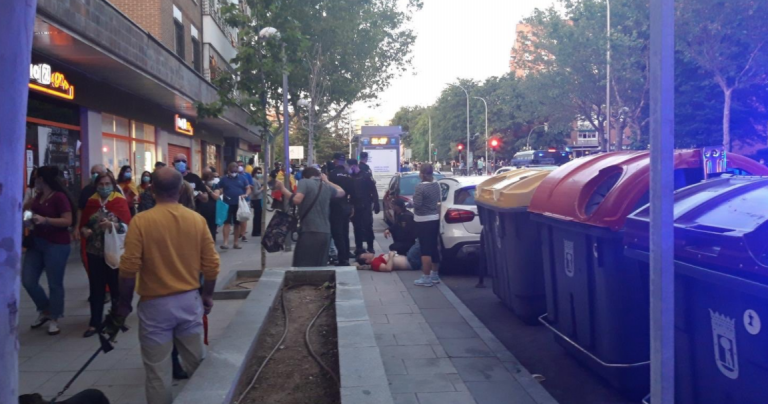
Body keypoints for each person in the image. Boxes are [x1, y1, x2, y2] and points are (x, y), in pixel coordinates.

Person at [107, 167, 220, 404]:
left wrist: (124, 305)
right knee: (199, 364)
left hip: (154, 307)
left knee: (157, 372)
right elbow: (211, 266)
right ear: (180, 189)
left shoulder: (141, 222)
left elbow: (128, 270)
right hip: (189, 302)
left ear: (152, 190)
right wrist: (207, 296)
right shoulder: (196, 220)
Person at [22, 166, 76, 336]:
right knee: (28, 280)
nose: (34, 181)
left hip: (56, 244)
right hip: (37, 242)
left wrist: (46, 220)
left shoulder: (59, 197)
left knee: (54, 282)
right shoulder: (37, 196)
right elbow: (26, 210)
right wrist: (27, 214)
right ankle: (45, 308)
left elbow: (67, 220)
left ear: (43, 179)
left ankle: (55, 316)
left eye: (36, 177)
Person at [79, 173, 132, 338]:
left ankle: (116, 319)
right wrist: (84, 230)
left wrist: (113, 225)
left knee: (116, 287)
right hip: (94, 251)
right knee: (96, 287)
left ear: (113, 185)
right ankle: (94, 322)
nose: (104, 187)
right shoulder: (91, 202)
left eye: (107, 184)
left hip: (114, 251)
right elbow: (84, 224)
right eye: (101, 184)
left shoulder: (119, 201)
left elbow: (128, 225)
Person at [274, 167, 345, 267]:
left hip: (309, 231)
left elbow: (297, 200)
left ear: (304, 176)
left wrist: (282, 189)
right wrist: (327, 181)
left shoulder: (304, 182)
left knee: (302, 266)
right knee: (319, 266)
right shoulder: (326, 186)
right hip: (325, 233)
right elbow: (341, 192)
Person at [412, 163, 442, 287]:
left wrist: (411, 202)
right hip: (434, 218)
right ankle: (435, 275)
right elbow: (438, 200)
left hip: (422, 220)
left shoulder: (420, 187)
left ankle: (426, 277)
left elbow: (417, 204)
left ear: (421, 174)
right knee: (434, 246)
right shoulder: (436, 184)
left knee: (425, 250)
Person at [328, 153, 355, 266]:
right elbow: (353, 192)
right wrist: (352, 206)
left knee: (337, 233)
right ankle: (346, 256)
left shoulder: (332, 174)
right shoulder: (348, 175)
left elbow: (329, 191)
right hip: (346, 206)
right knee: (345, 232)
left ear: (335, 161)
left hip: (335, 206)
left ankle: (342, 259)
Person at [349, 159, 379, 255]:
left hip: (366, 204)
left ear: (354, 166)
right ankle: (359, 247)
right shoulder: (350, 177)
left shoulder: (366, 175)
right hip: (355, 205)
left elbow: (373, 190)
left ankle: (370, 247)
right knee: (357, 227)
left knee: (368, 226)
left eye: (349, 166)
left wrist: (376, 203)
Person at [218, 162, 250, 249]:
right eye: (232, 171)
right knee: (226, 223)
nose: (234, 173)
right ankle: (225, 243)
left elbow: (248, 188)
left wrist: (246, 195)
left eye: (235, 171)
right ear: (228, 170)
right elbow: (219, 188)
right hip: (227, 204)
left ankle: (236, 242)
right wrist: (221, 193)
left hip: (238, 204)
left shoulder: (242, 178)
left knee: (237, 223)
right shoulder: (224, 179)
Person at [356, 243, 422, 272]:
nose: (367, 252)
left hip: (410, 259)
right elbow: (388, 268)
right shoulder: (375, 263)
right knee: (419, 241)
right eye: (365, 254)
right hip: (411, 262)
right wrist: (391, 256)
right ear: (367, 261)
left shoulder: (377, 259)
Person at [200, 168, 221, 241]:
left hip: (212, 209)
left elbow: (216, 197)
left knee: (212, 228)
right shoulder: (200, 183)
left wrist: (208, 189)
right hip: (201, 208)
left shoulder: (215, 184)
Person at [237, 162, 254, 243]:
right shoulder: (234, 176)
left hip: (245, 200)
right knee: (237, 218)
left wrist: (247, 186)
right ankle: (238, 232)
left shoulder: (247, 175)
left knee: (244, 216)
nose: (240, 167)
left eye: (241, 165)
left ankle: (243, 234)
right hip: (235, 200)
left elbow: (251, 186)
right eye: (238, 166)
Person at [251, 168, 264, 237]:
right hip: (256, 199)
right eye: (258, 173)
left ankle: (258, 230)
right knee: (257, 216)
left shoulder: (257, 180)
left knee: (259, 215)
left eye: (260, 173)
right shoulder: (254, 181)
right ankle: (255, 231)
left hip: (258, 199)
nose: (259, 174)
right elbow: (255, 192)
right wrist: (261, 189)